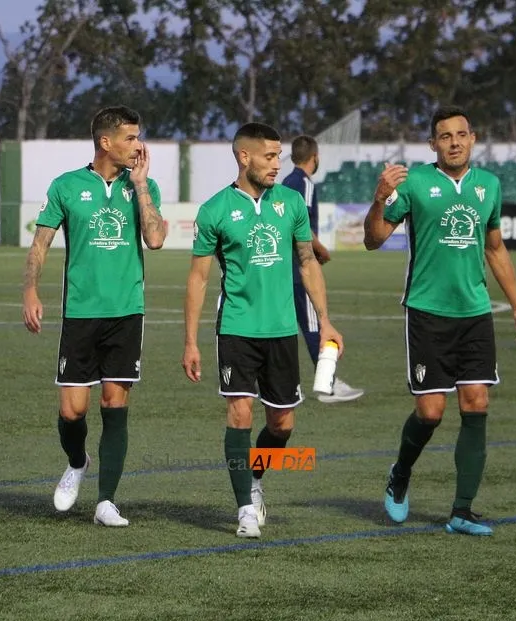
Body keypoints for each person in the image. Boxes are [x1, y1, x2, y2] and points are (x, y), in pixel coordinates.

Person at [362, 105, 516, 537]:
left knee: (476, 404)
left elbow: (495, 249)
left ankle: (462, 510)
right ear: (433, 144)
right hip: (427, 312)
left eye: (461, 134)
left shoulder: (489, 186)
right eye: (445, 136)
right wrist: (378, 196)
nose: (455, 142)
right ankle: (400, 472)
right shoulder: (415, 184)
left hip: (475, 313)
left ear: (473, 138)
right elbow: (373, 240)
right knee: (430, 412)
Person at [182, 122, 344, 539]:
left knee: (282, 425)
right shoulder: (215, 209)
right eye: (270, 157)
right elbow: (199, 279)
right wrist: (190, 341)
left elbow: (308, 262)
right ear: (244, 157)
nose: (277, 164)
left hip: (281, 331)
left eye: (279, 156)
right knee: (239, 412)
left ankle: (255, 477)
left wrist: (324, 320)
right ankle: (243, 510)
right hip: (236, 326)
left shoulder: (290, 203)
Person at [22, 105, 166, 527]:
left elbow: (155, 239)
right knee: (72, 411)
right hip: (81, 313)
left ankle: (107, 501)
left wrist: (140, 186)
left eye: (139, 137)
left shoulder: (144, 184)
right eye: (130, 138)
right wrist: (30, 289)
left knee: (114, 403)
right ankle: (76, 461)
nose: (138, 145)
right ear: (106, 142)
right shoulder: (67, 186)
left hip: (127, 312)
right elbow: (41, 243)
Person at [281, 135, 364, 403]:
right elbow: (299, 223)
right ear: (314, 157)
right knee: (316, 326)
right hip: (299, 270)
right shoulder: (303, 183)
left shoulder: (285, 182)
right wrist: (320, 250)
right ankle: (327, 385)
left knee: (284, 329)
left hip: (284, 269)